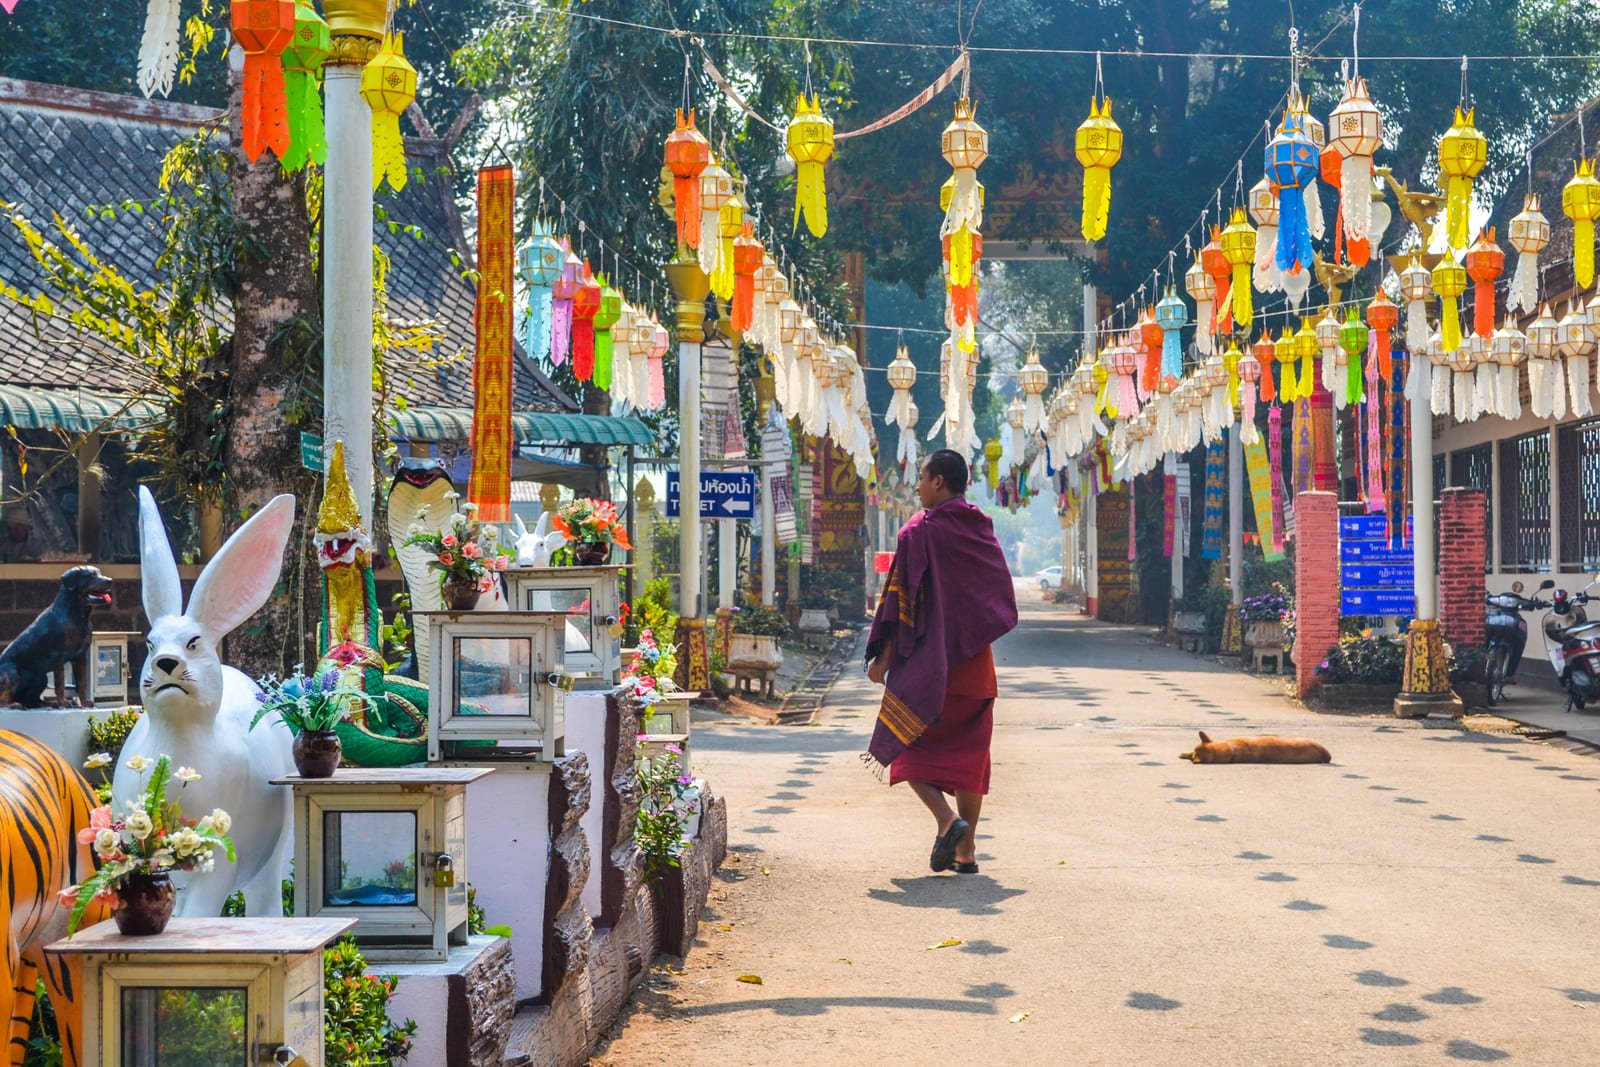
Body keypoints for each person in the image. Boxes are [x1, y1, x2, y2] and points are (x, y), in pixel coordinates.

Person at [865, 449, 1017, 874]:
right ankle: (966, 852)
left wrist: (883, 660)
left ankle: (947, 820)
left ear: (938, 482)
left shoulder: (919, 532)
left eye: (921, 478)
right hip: (974, 667)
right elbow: (997, 593)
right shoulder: (980, 527)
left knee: (907, 750)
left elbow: (901, 603)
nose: (916, 486)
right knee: (972, 760)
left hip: (930, 669)